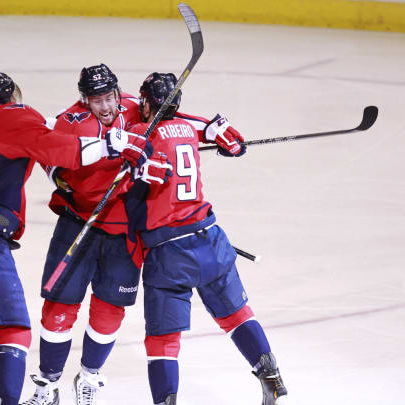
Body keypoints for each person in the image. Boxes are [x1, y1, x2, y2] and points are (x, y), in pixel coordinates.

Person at [21, 64, 247, 405]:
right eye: (96, 100)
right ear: (84, 100)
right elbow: (43, 150)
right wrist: (58, 177)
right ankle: (48, 385)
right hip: (79, 221)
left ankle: (90, 377)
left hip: (125, 229)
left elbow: (174, 119)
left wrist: (213, 130)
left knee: (109, 308)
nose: (107, 107)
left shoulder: (132, 105)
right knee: (58, 309)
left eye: (109, 97)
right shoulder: (68, 122)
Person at [0, 70, 151, 405]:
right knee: (12, 332)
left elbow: (33, 132)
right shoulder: (7, 119)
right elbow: (58, 151)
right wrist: (112, 143)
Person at [123, 72, 288, 405]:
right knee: (236, 314)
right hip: (211, 240)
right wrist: (224, 138)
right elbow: (236, 145)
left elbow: (119, 150)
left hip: (169, 252)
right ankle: (270, 373)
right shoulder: (189, 125)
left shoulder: (139, 133)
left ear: (146, 102)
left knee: (163, 340)